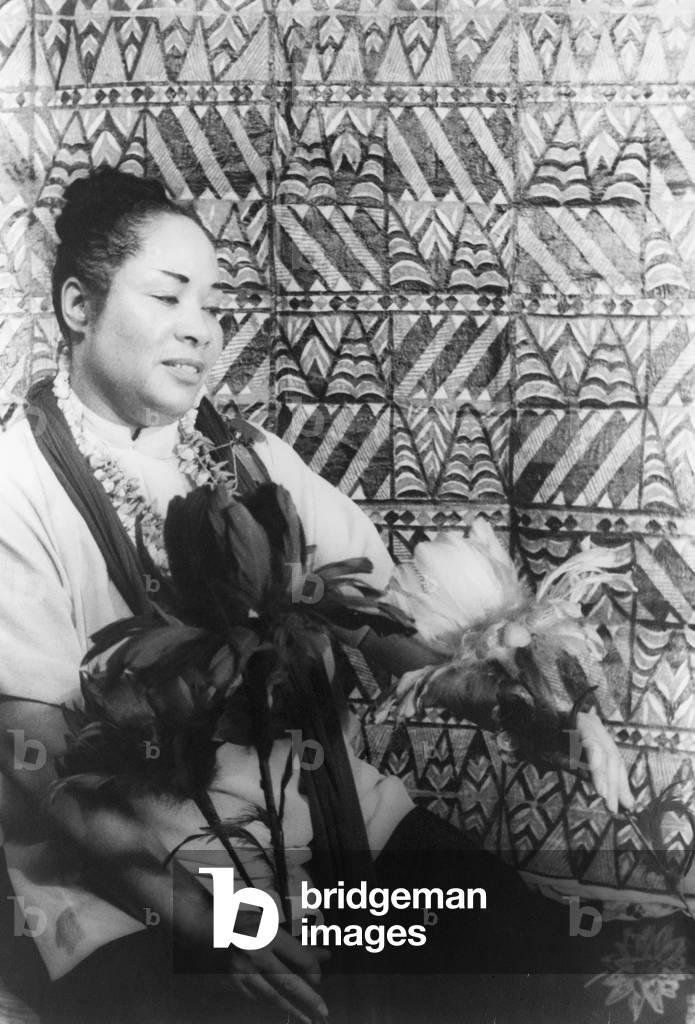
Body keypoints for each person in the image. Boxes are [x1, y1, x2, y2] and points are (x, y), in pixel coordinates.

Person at [0, 168, 633, 1024]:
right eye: (168, 296)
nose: (201, 330)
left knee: (551, 977)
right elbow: (47, 774)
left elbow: (380, 627)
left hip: (329, 835)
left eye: (212, 304)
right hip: (137, 890)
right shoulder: (17, 487)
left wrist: (516, 703)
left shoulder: (245, 454)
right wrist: (218, 921)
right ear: (79, 306)